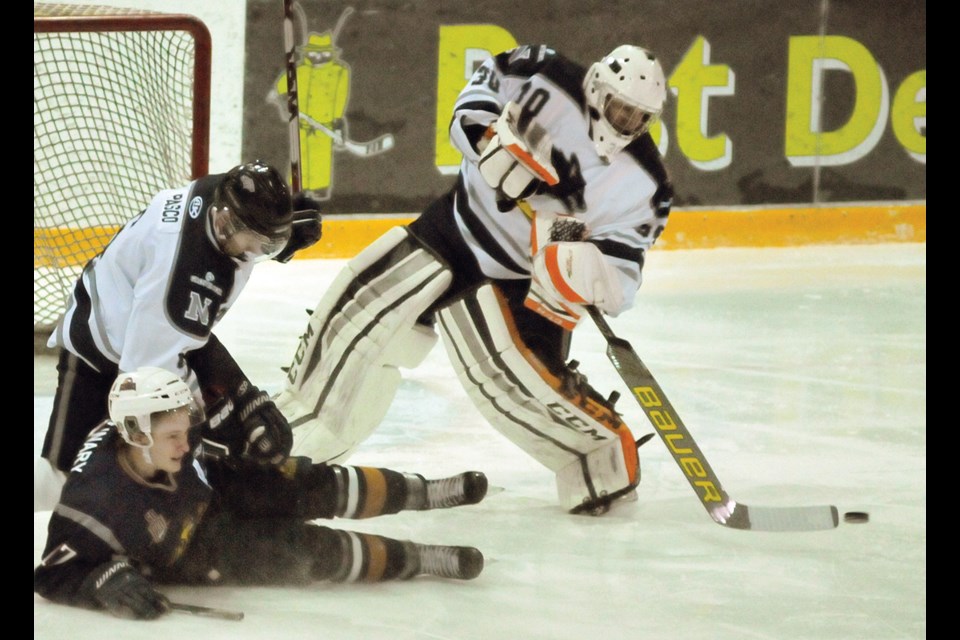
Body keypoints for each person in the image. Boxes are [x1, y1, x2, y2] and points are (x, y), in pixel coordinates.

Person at [274, 44, 674, 516]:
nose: (626, 123)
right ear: (597, 88)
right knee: (358, 317)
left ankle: (601, 457)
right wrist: (490, 142)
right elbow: (477, 94)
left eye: (637, 118)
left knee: (514, 382)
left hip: (523, 280)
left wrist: (580, 263)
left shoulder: (648, 183)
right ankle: (280, 442)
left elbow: (624, 272)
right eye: (620, 109)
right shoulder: (543, 69)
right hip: (455, 229)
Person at [34, 367, 488, 620]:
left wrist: (247, 422)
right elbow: (50, 576)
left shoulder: (168, 437)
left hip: (214, 484)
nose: (184, 442)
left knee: (308, 484)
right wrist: (100, 582)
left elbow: (208, 431)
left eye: (184, 431)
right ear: (136, 434)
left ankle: (423, 491)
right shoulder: (93, 502)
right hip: (192, 548)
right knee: (307, 552)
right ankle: (419, 558)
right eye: (173, 436)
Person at [40, 161, 323, 492]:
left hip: (140, 331)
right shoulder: (183, 276)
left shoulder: (219, 194)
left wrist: (280, 230)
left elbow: (187, 340)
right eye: (252, 243)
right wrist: (207, 426)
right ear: (226, 221)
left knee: (150, 478)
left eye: (265, 246)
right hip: (98, 356)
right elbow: (145, 370)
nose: (254, 253)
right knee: (65, 481)